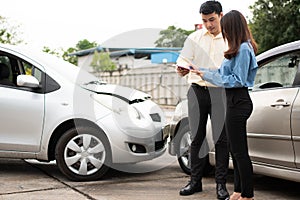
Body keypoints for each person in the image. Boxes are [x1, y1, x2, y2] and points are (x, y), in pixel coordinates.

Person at [192, 10, 258, 200]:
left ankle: (248, 195)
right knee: (234, 151)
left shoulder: (244, 49)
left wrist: (214, 77)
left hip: (239, 100)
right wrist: (200, 71)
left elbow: (237, 80)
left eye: (226, 28)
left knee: (240, 152)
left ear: (233, 28)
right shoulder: (237, 48)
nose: (224, 32)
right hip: (232, 101)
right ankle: (238, 191)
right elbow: (221, 73)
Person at [176, 1, 229, 199]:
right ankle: (195, 182)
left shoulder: (231, 37)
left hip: (220, 92)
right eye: (205, 21)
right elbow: (183, 59)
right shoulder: (194, 38)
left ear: (221, 15)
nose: (208, 24)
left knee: (221, 140)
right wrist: (180, 68)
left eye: (212, 20)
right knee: (197, 138)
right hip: (197, 91)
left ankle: (221, 185)